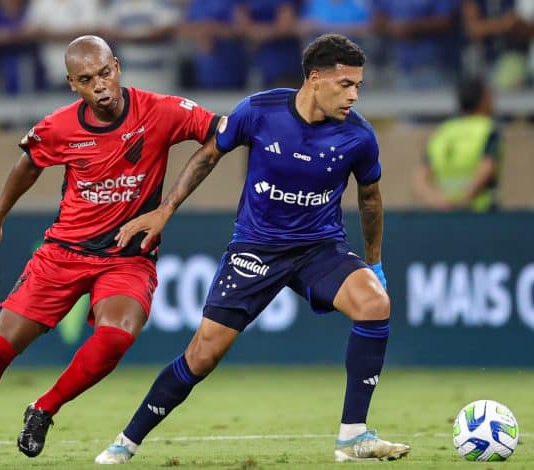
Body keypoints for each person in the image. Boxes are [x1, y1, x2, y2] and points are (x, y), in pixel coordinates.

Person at [94, 33, 411, 464]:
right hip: (256, 248)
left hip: (319, 248)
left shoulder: (358, 136)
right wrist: (165, 210)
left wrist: (374, 263)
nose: (354, 95)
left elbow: (370, 198)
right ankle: (127, 441)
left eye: (358, 86)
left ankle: (352, 436)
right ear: (314, 79)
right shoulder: (259, 111)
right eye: (346, 85)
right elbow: (208, 155)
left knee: (375, 304)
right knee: (202, 355)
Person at [0, 35, 220, 465]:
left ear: (117, 67)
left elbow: (221, 133)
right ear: (72, 84)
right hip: (64, 253)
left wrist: (166, 208)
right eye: (86, 79)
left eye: (105, 73)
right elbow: (28, 165)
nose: (100, 85)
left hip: (126, 255)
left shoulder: (161, 110)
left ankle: (44, 408)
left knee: (116, 335)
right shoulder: (58, 126)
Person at [413, 75, 501, 212]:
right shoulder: (487, 129)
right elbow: (487, 168)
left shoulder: (443, 131)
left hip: (446, 215)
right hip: (482, 213)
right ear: (484, 99)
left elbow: (419, 179)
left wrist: (438, 202)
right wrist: (463, 200)